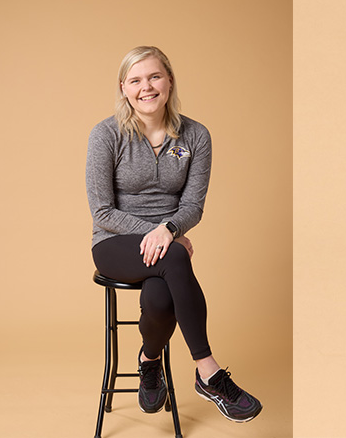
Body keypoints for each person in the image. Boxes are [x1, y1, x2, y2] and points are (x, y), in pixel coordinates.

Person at [85, 45, 262, 423]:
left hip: (168, 248)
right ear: (123, 88)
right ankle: (209, 373)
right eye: (135, 80)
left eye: (154, 77)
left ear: (169, 81)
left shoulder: (196, 135)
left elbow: (192, 206)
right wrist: (164, 235)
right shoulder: (105, 135)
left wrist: (169, 229)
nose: (145, 87)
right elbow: (102, 211)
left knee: (161, 294)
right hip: (114, 242)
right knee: (175, 256)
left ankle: (149, 362)